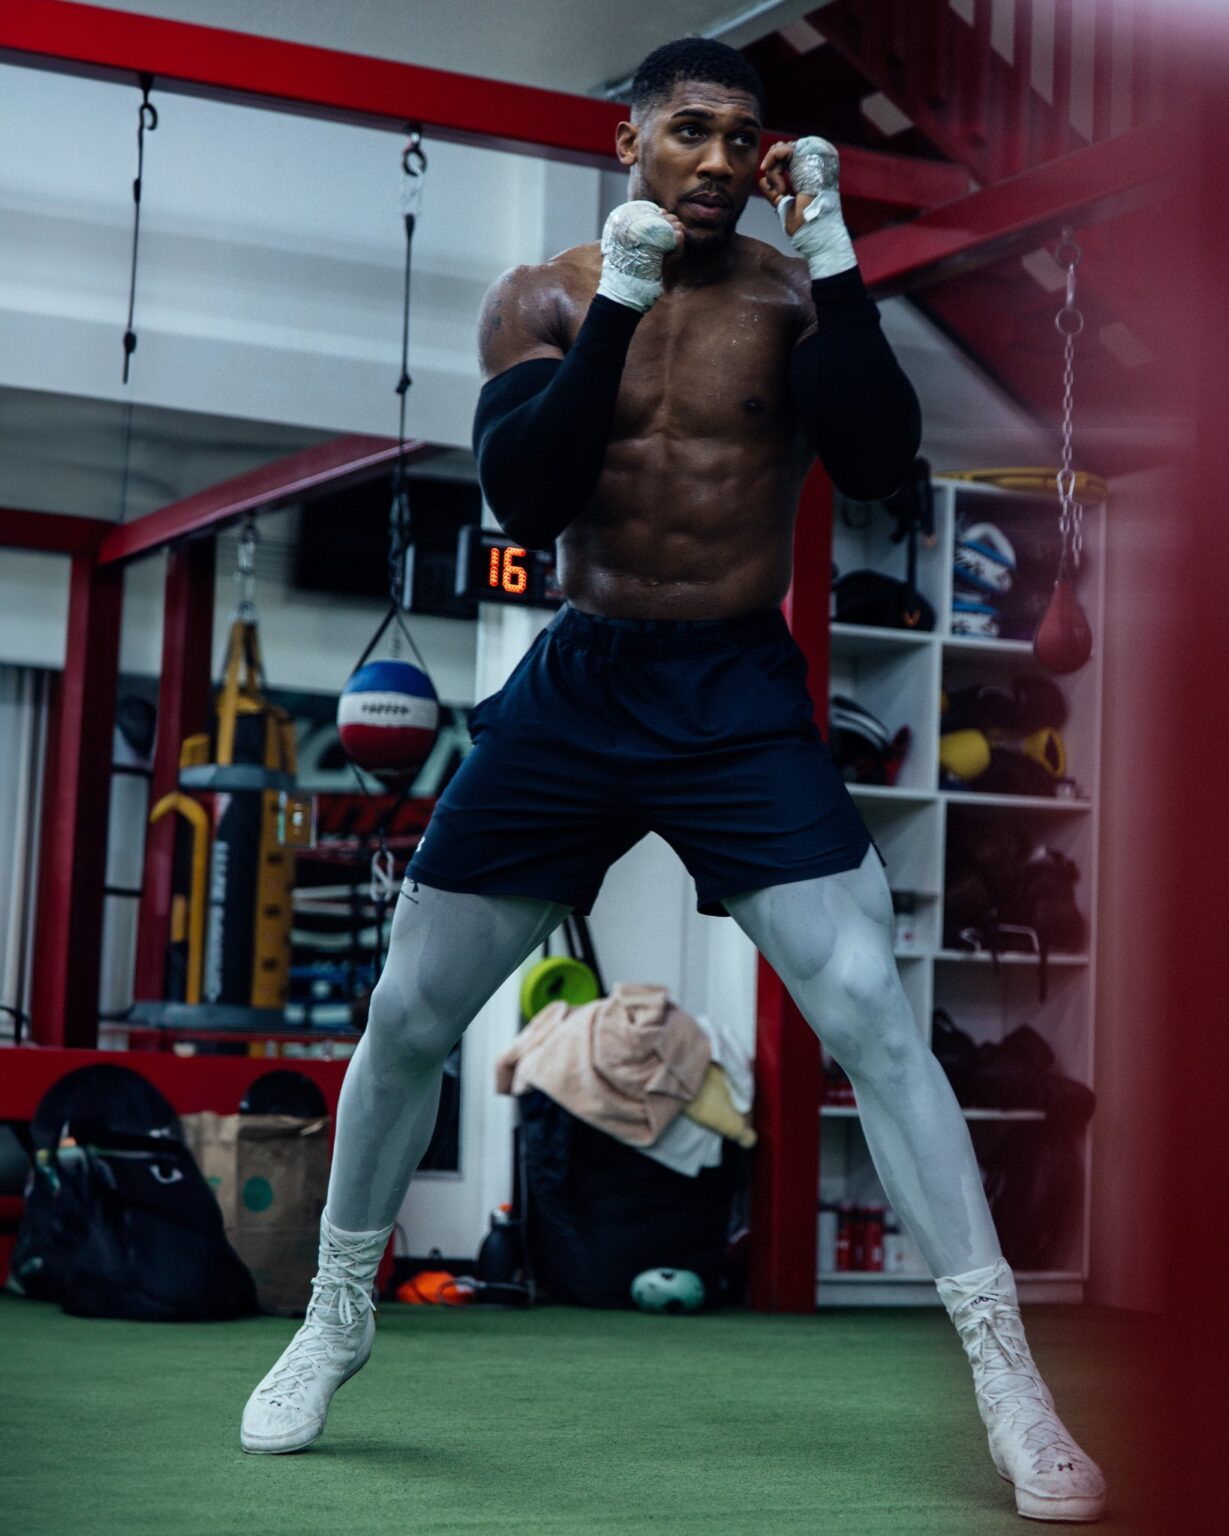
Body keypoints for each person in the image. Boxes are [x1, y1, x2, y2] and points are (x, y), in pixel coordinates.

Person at [241, 35, 1106, 1524]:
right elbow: (527, 495)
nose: (717, 160)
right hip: (583, 682)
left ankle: (1009, 1384)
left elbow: (882, 460)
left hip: (735, 693)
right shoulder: (543, 298)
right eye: (690, 130)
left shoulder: (792, 298)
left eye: (741, 138)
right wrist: (621, 302)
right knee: (407, 1011)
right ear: (630, 139)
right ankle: (335, 1313)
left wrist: (835, 252)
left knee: (871, 1014)